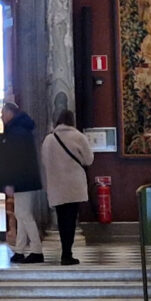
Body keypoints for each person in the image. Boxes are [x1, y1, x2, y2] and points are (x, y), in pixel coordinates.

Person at [39, 106, 95, 266]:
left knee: (62, 219)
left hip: (56, 185)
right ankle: (67, 253)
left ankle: (64, 251)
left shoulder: (49, 139)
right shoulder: (78, 137)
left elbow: (45, 161)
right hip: (74, 185)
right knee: (71, 219)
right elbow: (89, 160)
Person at [0, 101, 45, 262]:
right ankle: (20, 250)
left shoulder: (17, 133)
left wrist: (10, 182)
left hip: (22, 180)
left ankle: (37, 250)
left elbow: (15, 160)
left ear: (10, 113)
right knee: (21, 214)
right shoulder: (20, 130)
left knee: (24, 214)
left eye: (3, 113)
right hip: (25, 179)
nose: (1, 117)